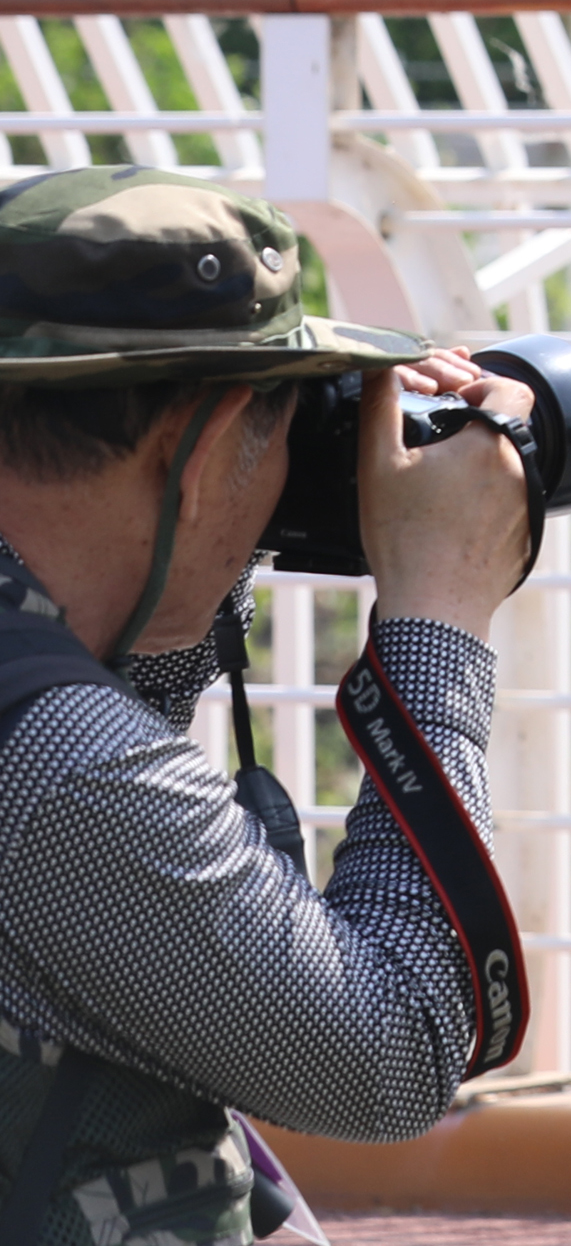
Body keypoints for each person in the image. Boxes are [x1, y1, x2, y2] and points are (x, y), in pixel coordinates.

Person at [0, 166, 537, 1242]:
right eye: (285, 427)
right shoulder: (63, 765)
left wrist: (207, 552)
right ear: (201, 450)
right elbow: (394, 1051)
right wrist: (438, 614)